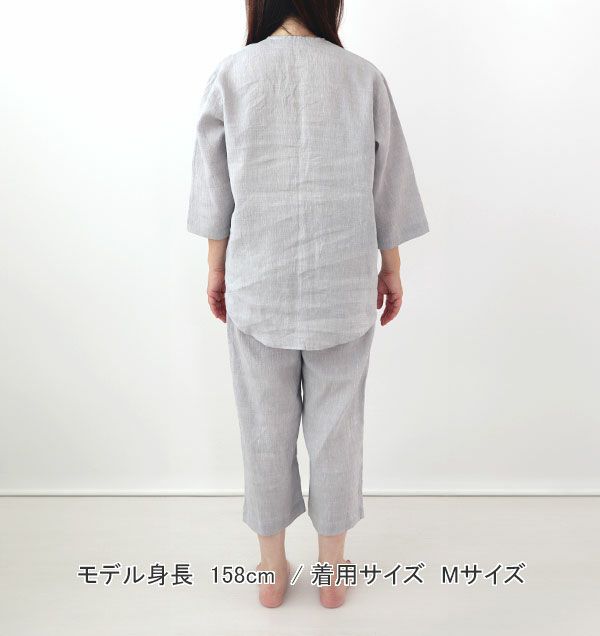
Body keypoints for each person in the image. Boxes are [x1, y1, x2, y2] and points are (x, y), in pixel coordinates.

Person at [187, 0, 429, 609]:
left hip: (257, 284)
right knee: (338, 429)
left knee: (262, 429)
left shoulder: (232, 74)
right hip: (342, 286)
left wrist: (216, 268)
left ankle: (271, 570)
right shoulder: (362, 77)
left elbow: (215, 186)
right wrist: (391, 266)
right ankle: (333, 569)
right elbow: (389, 182)